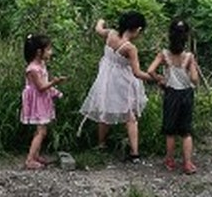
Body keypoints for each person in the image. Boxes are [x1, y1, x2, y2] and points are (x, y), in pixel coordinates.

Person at [79, 12, 164, 163]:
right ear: (137, 29)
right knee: (130, 117)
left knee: (104, 110)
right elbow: (137, 73)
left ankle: (101, 144)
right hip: (124, 83)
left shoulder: (110, 34)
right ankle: (134, 153)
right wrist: (156, 78)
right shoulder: (130, 48)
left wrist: (101, 20)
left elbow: (98, 29)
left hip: (106, 79)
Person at [147, 19, 201, 174]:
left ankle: (170, 161)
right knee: (186, 131)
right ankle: (188, 164)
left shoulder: (164, 54)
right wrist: (193, 68)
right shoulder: (189, 57)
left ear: (170, 35)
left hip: (171, 93)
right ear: (186, 37)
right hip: (186, 95)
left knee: (170, 131)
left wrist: (160, 80)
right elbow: (195, 80)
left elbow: (150, 70)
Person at [21, 34, 68, 170]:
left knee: (42, 130)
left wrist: (55, 91)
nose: (51, 52)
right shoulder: (32, 69)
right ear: (39, 52)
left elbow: (44, 85)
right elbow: (41, 87)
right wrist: (55, 82)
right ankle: (30, 160)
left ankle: (35, 155)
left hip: (41, 99)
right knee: (41, 131)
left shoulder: (41, 64)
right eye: (48, 49)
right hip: (37, 101)